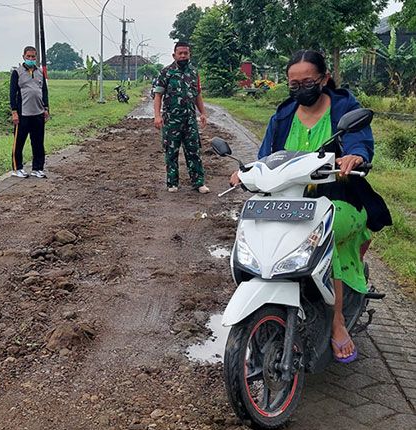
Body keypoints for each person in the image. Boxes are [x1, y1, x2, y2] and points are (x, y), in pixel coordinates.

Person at [230, 50, 391, 363]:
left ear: (324, 78)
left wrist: (354, 156)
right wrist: (245, 171)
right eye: (294, 83)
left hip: (339, 196)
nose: (300, 88)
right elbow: (265, 155)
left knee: (325, 236)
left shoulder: (345, 108)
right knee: (261, 236)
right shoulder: (283, 114)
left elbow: (359, 141)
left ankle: (337, 321)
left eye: (308, 81)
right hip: (289, 200)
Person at [153, 41, 210, 194]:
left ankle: (198, 183)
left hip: (190, 120)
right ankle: (172, 183)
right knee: (171, 152)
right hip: (171, 121)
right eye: (180, 53)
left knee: (194, 151)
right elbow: (158, 95)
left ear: (189, 55)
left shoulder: (193, 72)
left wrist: (203, 113)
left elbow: (197, 95)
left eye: (186, 53)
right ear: (174, 55)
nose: (183, 56)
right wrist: (157, 116)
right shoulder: (166, 72)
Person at [10, 46, 49, 179]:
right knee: (19, 142)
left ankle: (37, 168)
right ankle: (17, 168)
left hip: (38, 113)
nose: (31, 59)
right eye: (29, 57)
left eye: (33, 57)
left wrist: (46, 108)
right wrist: (14, 111)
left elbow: (44, 91)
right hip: (23, 114)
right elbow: (12, 93)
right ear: (23, 57)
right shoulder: (17, 72)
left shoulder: (39, 72)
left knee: (38, 142)